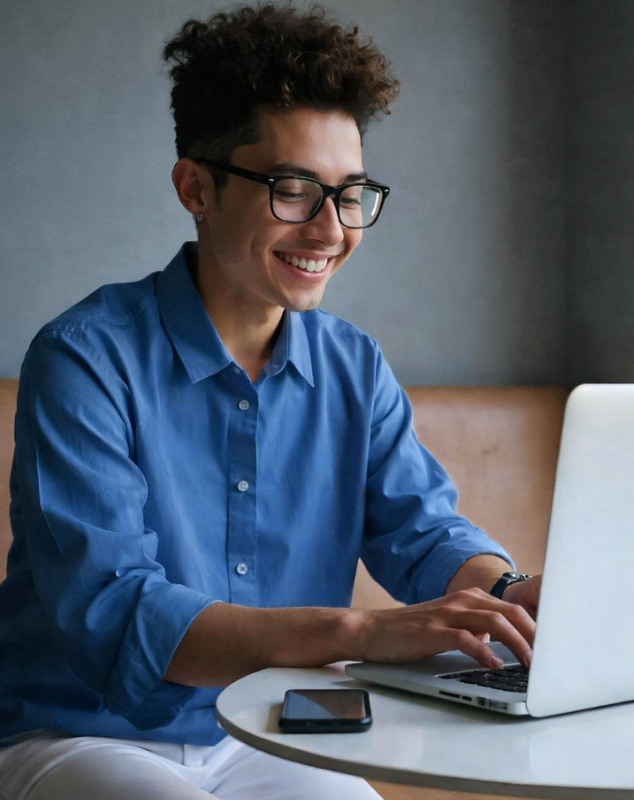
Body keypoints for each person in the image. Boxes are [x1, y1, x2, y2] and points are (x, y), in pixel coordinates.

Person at [0, 5, 538, 799]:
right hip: (80, 730)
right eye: (294, 189)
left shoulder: (354, 364)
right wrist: (359, 633)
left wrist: (507, 595)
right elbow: (119, 607)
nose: (330, 228)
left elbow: (423, 530)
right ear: (197, 188)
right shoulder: (84, 357)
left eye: (350, 194)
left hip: (272, 726)